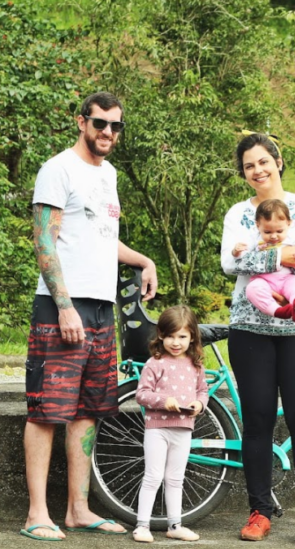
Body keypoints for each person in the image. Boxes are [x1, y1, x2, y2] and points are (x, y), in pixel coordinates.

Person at [21, 91, 159, 542]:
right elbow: (45, 242)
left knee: (88, 411)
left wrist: (143, 261)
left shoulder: (109, 175)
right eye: (100, 123)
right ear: (82, 122)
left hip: (102, 309)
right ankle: (37, 513)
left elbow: (102, 239)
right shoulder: (58, 169)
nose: (108, 133)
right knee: (46, 411)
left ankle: (78, 509)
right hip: (63, 306)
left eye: (116, 126)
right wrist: (63, 306)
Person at [221, 133, 295, 546]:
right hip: (249, 331)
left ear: (278, 160)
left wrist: (291, 283)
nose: (258, 170)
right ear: (244, 173)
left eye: (263, 161)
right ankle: (259, 512)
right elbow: (229, 262)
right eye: (249, 165)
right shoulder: (238, 214)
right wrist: (279, 257)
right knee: (257, 422)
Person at [132, 305, 208, 543]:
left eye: (182, 336)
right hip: (158, 428)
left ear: (192, 337)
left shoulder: (195, 365)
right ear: (161, 336)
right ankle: (142, 526)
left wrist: (199, 404)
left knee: (176, 478)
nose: (176, 342)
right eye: (171, 336)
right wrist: (165, 401)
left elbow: (202, 391)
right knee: (153, 476)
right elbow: (142, 394)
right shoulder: (155, 363)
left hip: (184, 429)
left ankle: (175, 524)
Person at [232, 198, 295, 321]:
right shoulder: (254, 239)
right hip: (263, 280)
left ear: (289, 223)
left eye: (279, 231)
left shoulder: (293, 239)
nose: (274, 236)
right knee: (252, 289)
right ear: (258, 225)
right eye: (267, 232)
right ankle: (277, 311)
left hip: (287, 278)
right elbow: (244, 258)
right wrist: (236, 251)